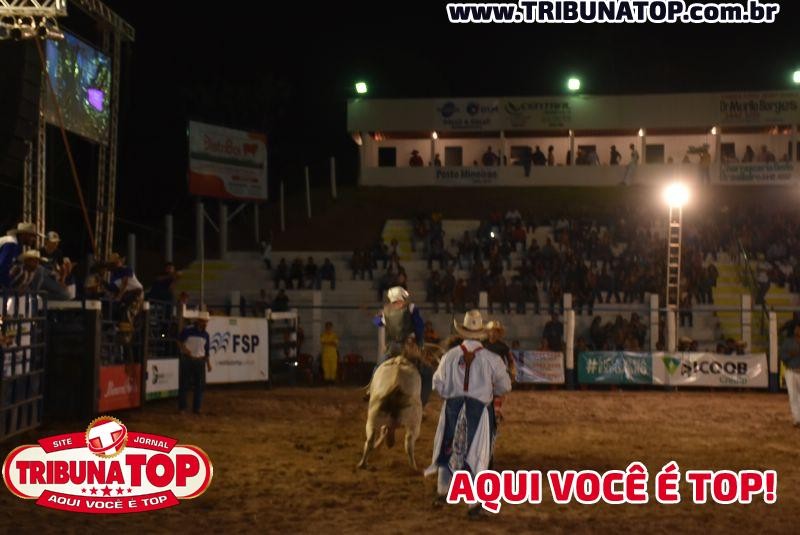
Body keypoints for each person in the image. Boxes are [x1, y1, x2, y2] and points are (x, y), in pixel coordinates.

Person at [425, 310, 512, 518]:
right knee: (478, 455)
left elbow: (437, 383)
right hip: (479, 410)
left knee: (448, 447)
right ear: (481, 333)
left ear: (463, 332)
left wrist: (449, 394)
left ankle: (442, 492)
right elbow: (505, 386)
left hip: (452, 407)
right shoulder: (492, 359)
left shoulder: (449, 356)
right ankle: (474, 505)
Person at [372, 286, 431, 404]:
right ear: (402, 297)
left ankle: (371, 390)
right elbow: (419, 327)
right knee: (427, 372)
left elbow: (377, 323)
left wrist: (377, 316)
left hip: (391, 349)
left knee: (378, 368)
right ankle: (422, 401)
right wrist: (420, 343)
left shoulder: (386, 311)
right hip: (408, 348)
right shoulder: (411, 308)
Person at [177, 311, 212, 415]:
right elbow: (179, 341)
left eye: (206, 322)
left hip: (198, 360)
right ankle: (183, 407)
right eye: (204, 322)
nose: (205, 324)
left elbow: (206, 351)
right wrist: (185, 349)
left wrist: (208, 363)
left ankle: (196, 408)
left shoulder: (205, 334)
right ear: (199, 321)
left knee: (198, 385)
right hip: (189, 359)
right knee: (185, 384)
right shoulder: (189, 330)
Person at [0, 222, 40, 289]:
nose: (34, 239)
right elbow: (2, 267)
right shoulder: (10, 243)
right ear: (24, 235)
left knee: (25, 269)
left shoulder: (18, 245)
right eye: (32, 236)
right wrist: (8, 287)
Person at [780, 323, 800, 427]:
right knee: (793, 396)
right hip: (791, 371)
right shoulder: (788, 342)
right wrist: (790, 355)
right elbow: (782, 357)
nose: (798, 330)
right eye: (797, 329)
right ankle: (797, 419)